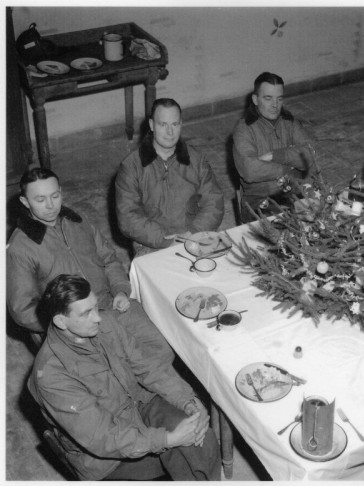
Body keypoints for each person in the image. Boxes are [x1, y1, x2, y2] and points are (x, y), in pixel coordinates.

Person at [28, 275, 220, 481]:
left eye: (95, 307)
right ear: (60, 321)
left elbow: (149, 367)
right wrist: (167, 439)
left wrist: (187, 401)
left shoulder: (105, 323)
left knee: (202, 439)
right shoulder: (51, 375)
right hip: (106, 457)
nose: (98, 318)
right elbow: (102, 436)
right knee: (181, 449)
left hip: (139, 404)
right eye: (86, 313)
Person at [7, 168, 173, 363]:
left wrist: (120, 290)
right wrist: (67, 323)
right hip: (72, 323)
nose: (51, 205)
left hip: (109, 303)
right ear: (25, 202)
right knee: (117, 370)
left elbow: (109, 260)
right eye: (40, 200)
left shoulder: (79, 222)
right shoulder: (20, 247)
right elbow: (22, 309)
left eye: (55, 196)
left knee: (161, 350)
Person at [116, 98, 225, 256]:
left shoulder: (196, 160)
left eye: (174, 124)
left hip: (194, 235)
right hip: (152, 243)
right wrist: (165, 240)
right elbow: (127, 217)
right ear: (152, 125)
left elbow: (214, 202)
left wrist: (192, 233)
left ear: (181, 124)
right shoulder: (131, 167)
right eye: (163, 125)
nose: (170, 132)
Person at [232, 71, 314, 222]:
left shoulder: (290, 122)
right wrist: (288, 168)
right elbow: (250, 170)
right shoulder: (244, 129)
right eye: (268, 98)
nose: (275, 105)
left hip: (293, 192)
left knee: (322, 220)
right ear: (255, 100)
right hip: (259, 200)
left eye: (279, 98)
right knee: (280, 231)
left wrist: (274, 155)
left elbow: (308, 156)